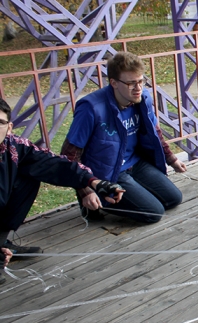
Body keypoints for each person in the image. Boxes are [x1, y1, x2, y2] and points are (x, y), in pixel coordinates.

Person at [0, 97, 123, 284]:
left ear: (9, 128)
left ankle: (1, 241)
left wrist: (94, 183)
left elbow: (54, 163)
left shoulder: (13, 147)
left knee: (31, 173)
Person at [61, 51, 186, 224]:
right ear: (114, 83)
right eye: (131, 83)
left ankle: (133, 195)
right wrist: (85, 190)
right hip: (108, 172)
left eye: (141, 81)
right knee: (154, 213)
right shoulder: (91, 108)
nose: (138, 88)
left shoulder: (143, 99)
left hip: (135, 163)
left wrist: (171, 159)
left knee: (173, 198)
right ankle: (99, 198)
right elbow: (69, 154)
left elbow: (155, 132)